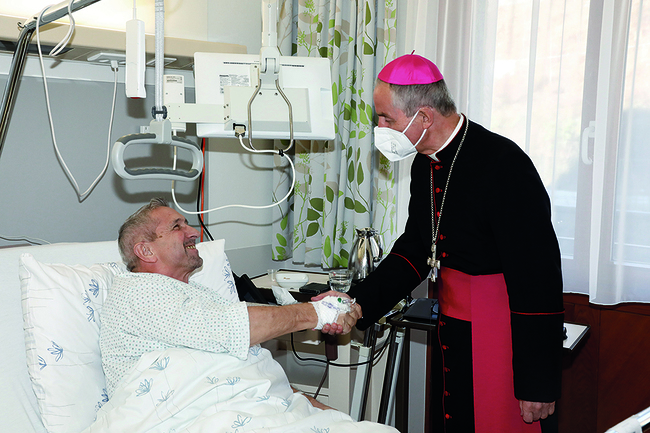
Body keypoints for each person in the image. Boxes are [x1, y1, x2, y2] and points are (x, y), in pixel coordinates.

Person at [343, 54, 565, 432]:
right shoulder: (424, 162)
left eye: (386, 119)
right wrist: (358, 303)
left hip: (500, 333)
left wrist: (538, 382)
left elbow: (538, 278)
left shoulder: (503, 164)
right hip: (453, 328)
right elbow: (416, 248)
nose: (379, 127)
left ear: (424, 117)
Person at [100, 197, 362, 410]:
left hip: (242, 406)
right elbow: (232, 328)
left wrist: (315, 409)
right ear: (145, 251)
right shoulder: (137, 291)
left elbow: (245, 351)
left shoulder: (197, 293)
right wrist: (318, 312)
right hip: (179, 415)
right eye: (177, 227)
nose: (193, 232)